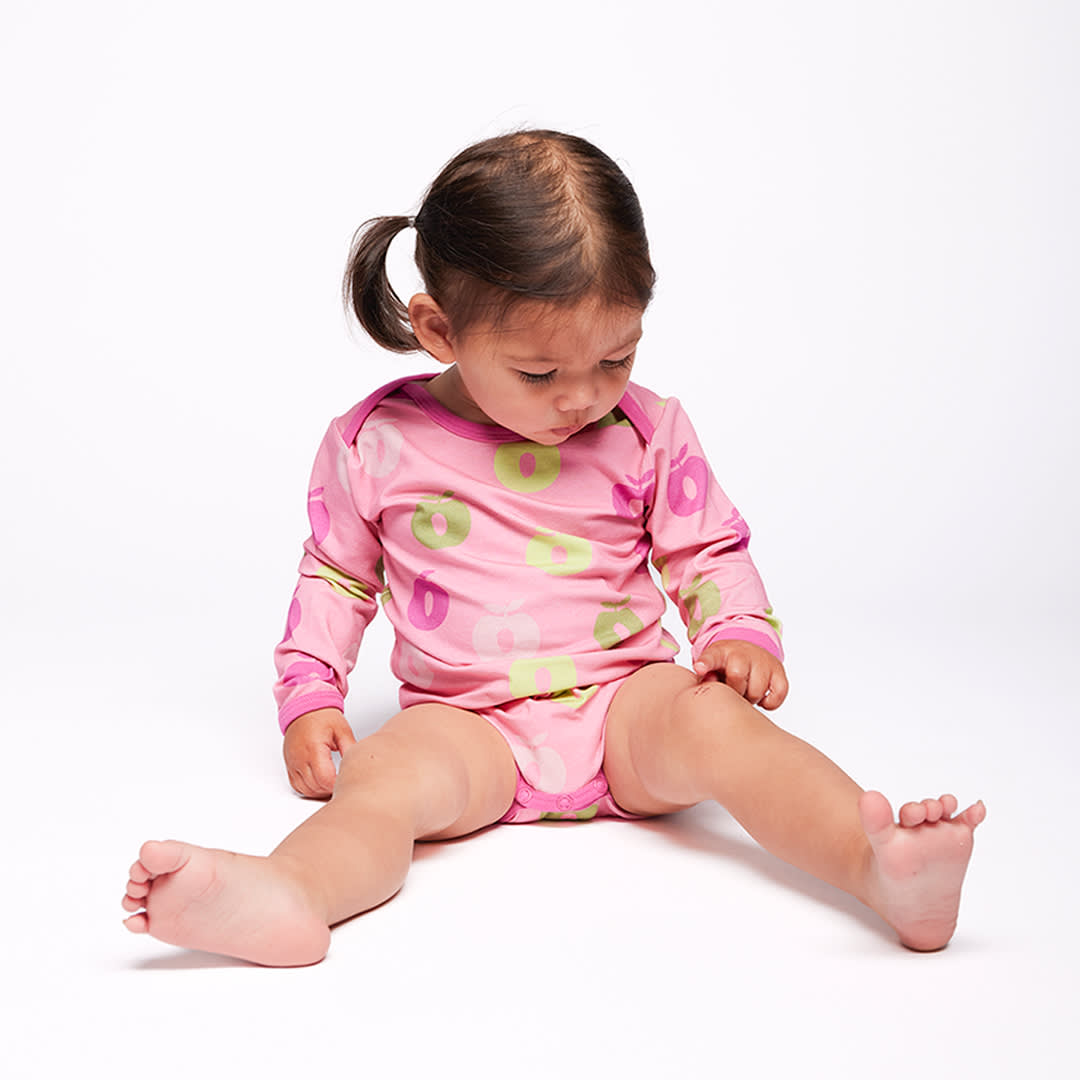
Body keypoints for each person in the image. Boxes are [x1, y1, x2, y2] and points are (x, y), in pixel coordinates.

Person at [121, 130, 985, 966]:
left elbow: (706, 549)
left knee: (724, 727)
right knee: (379, 780)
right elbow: (337, 577)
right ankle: (295, 892)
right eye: (540, 373)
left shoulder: (646, 429)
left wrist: (737, 633)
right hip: (466, 725)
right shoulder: (375, 443)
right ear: (441, 330)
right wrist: (311, 695)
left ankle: (877, 870)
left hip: (629, 708)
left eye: (617, 359)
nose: (583, 398)